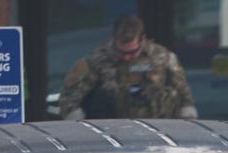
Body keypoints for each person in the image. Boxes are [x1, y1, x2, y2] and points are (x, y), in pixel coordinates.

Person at [59, 15, 197, 120]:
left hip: (158, 131)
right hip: (112, 135)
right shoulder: (95, 62)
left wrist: (187, 116)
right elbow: (69, 98)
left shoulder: (164, 58)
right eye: (121, 52)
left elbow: (183, 92)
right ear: (114, 38)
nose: (126, 58)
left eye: (131, 53)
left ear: (142, 39)